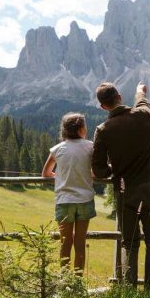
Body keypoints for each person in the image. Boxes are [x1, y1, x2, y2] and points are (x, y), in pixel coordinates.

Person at [91, 82, 150, 290]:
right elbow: (142, 99)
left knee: (129, 243)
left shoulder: (103, 130)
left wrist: (115, 169)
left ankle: (128, 288)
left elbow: (99, 170)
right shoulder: (143, 115)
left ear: (103, 106)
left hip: (125, 191)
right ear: (120, 97)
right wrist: (140, 90)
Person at [42, 113, 96, 275]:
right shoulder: (90, 146)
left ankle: (64, 281)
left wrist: (61, 177)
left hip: (64, 200)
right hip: (85, 200)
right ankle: (77, 281)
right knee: (80, 242)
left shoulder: (57, 149)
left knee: (65, 243)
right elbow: (94, 171)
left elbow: (46, 173)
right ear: (81, 130)